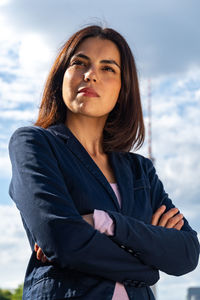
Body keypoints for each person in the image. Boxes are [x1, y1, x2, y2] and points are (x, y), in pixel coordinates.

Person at [9, 25, 199, 300]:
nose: (90, 75)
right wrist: (148, 267)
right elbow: (63, 240)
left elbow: (186, 253)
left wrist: (106, 222)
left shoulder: (140, 171)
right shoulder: (34, 144)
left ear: (123, 89)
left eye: (108, 68)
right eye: (79, 63)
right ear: (61, 76)